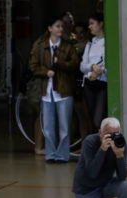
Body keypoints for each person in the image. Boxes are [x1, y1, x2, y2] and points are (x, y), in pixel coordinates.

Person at [29, 16, 79, 164]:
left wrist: (60, 63)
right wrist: (46, 72)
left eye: (61, 26)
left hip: (64, 91)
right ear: (50, 28)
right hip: (46, 91)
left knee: (64, 127)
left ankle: (62, 155)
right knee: (48, 126)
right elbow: (33, 66)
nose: (60, 29)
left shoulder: (68, 47)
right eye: (57, 26)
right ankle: (50, 154)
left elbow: (74, 64)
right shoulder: (40, 46)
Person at [80, 12, 108, 134]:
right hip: (89, 83)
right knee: (92, 120)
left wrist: (101, 71)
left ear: (101, 24)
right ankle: (97, 144)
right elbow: (82, 66)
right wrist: (92, 67)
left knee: (98, 120)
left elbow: (111, 64)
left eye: (92, 23)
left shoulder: (109, 42)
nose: (89, 26)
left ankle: (103, 143)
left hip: (102, 84)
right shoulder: (90, 43)